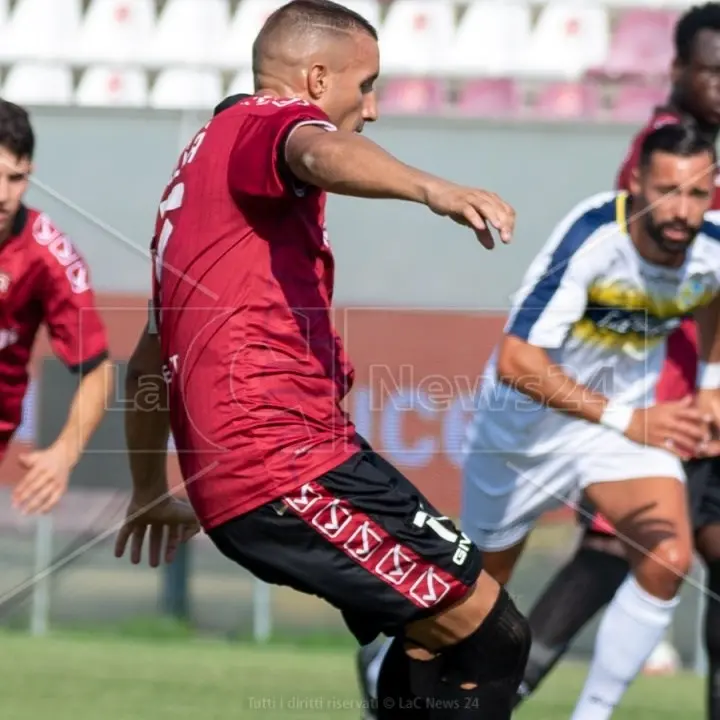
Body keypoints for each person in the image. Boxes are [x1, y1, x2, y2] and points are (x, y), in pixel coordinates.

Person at [114, 2, 530, 718]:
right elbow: (314, 151)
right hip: (281, 466)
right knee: (493, 639)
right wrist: (434, 188)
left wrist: (150, 487)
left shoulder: (198, 189)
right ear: (313, 79)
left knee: (433, 642)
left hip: (293, 464)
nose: (370, 110)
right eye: (365, 86)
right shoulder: (263, 124)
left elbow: (148, 363)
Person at [459, 121, 720, 720]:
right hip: (523, 430)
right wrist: (630, 419)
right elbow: (515, 361)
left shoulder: (709, 246)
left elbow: (712, 296)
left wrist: (709, 386)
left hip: (620, 430)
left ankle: (592, 715)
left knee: (667, 558)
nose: (682, 211)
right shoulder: (594, 237)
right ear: (636, 183)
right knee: (475, 601)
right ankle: (385, 673)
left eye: (698, 194)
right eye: (668, 190)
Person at [510, 4, 720, 716]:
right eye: (711, 69)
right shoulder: (669, 156)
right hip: (665, 391)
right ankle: (477, 689)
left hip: (703, 387)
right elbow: (666, 285)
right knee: (619, 554)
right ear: (680, 70)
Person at [0, 100, 113, 515]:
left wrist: (64, 451)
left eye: (15, 179)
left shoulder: (50, 255)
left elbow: (98, 370)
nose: (2, 196)